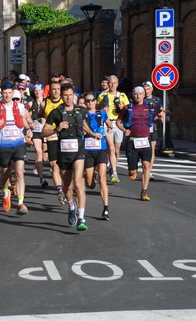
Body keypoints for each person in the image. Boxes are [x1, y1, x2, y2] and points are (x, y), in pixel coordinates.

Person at [42, 83, 90, 231]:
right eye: (65, 95)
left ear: (73, 95)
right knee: (67, 186)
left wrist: (92, 133)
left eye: (70, 95)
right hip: (63, 151)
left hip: (79, 150)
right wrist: (57, 128)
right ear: (61, 96)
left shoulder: (81, 110)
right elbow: (44, 132)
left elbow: (84, 126)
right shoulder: (56, 113)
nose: (68, 98)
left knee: (78, 184)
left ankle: (81, 218)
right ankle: (71, 207)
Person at [0, 81, 34, 215]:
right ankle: (6, 192)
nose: (7, 95)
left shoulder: (19, 106)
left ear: (13, 93)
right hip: (4, 145)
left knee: (19, 173)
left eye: (9, 93)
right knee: (5, 173)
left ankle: (21, 203)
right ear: (1, 93)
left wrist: (29, 129)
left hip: (18, 144)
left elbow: (24, 119)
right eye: (4, 93)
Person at [117, 86, 156, 201]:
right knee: (133, 172)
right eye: (136, 94)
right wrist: (125, 130)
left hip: (145, 141)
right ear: (133, 95)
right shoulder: (127, 108)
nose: (138, 96)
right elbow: (119, 122)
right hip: (132, 141)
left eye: (140, 94)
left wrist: (161, 116)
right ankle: (132, 170)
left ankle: (144, 192)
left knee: (146, 166)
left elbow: (155, 118)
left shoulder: (150, 107)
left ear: (144, 95)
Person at [83, 92, 113, 220]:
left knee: (103, 179)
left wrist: (110, 128)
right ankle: (91, 178)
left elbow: (110, 124)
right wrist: (90, 133)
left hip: (101, 150)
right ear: (85, 103)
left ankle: (106, 209)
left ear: (95, 101)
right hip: (88, 150)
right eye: (87, 101)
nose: (90, 103)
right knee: (90, 183)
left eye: (92, 100)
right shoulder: (82, 114)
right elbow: (82, 127)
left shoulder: (102, 114)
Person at [39, 79, 66, 204]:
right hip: (51, 136)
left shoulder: (65, 101)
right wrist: (40, 119)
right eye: (53, 89)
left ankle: (65, 184)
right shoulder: (45, 103)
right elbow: (39, 114)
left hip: (65, 137)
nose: (56, 91)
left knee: (64, 166)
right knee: (54, 164)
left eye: (58, 89)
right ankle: (60, 190)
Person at [103, 75, 130, 183]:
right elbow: (95, 106)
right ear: (108, 84)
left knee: (117, 150)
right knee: (111, 148)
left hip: (119, 123)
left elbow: (128, 110)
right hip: (107, 123)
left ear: (118, 84)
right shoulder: (103, 95)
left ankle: (112, 167)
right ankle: (114, 172)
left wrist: (121, 108)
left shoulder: (122, 95)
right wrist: (102, 109)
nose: (112, 85)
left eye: (115, 83)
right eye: (110, 83)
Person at [142, 81, 165, 181]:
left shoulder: (156, 100)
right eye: (144, 89)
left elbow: (161, 110)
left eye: (148, 89)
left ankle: (148, 171)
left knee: (151, 149)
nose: (146, 91)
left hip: (152, 126)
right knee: (142, 148)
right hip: (141, 127)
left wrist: (162, 116)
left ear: (152, 89)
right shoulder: (139, 99)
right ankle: (141, 162)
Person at [27, 83, 49, 188]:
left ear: (42, 91)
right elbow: (27, 115)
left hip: (46, 130)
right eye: (35, 91)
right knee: (38, 152)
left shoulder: (47, 102)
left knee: (45, 157)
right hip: (36, 130)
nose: (37, 92)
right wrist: (30, 124)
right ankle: (42, 178)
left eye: (39, 90)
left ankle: (37, 166)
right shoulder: (31, 104)